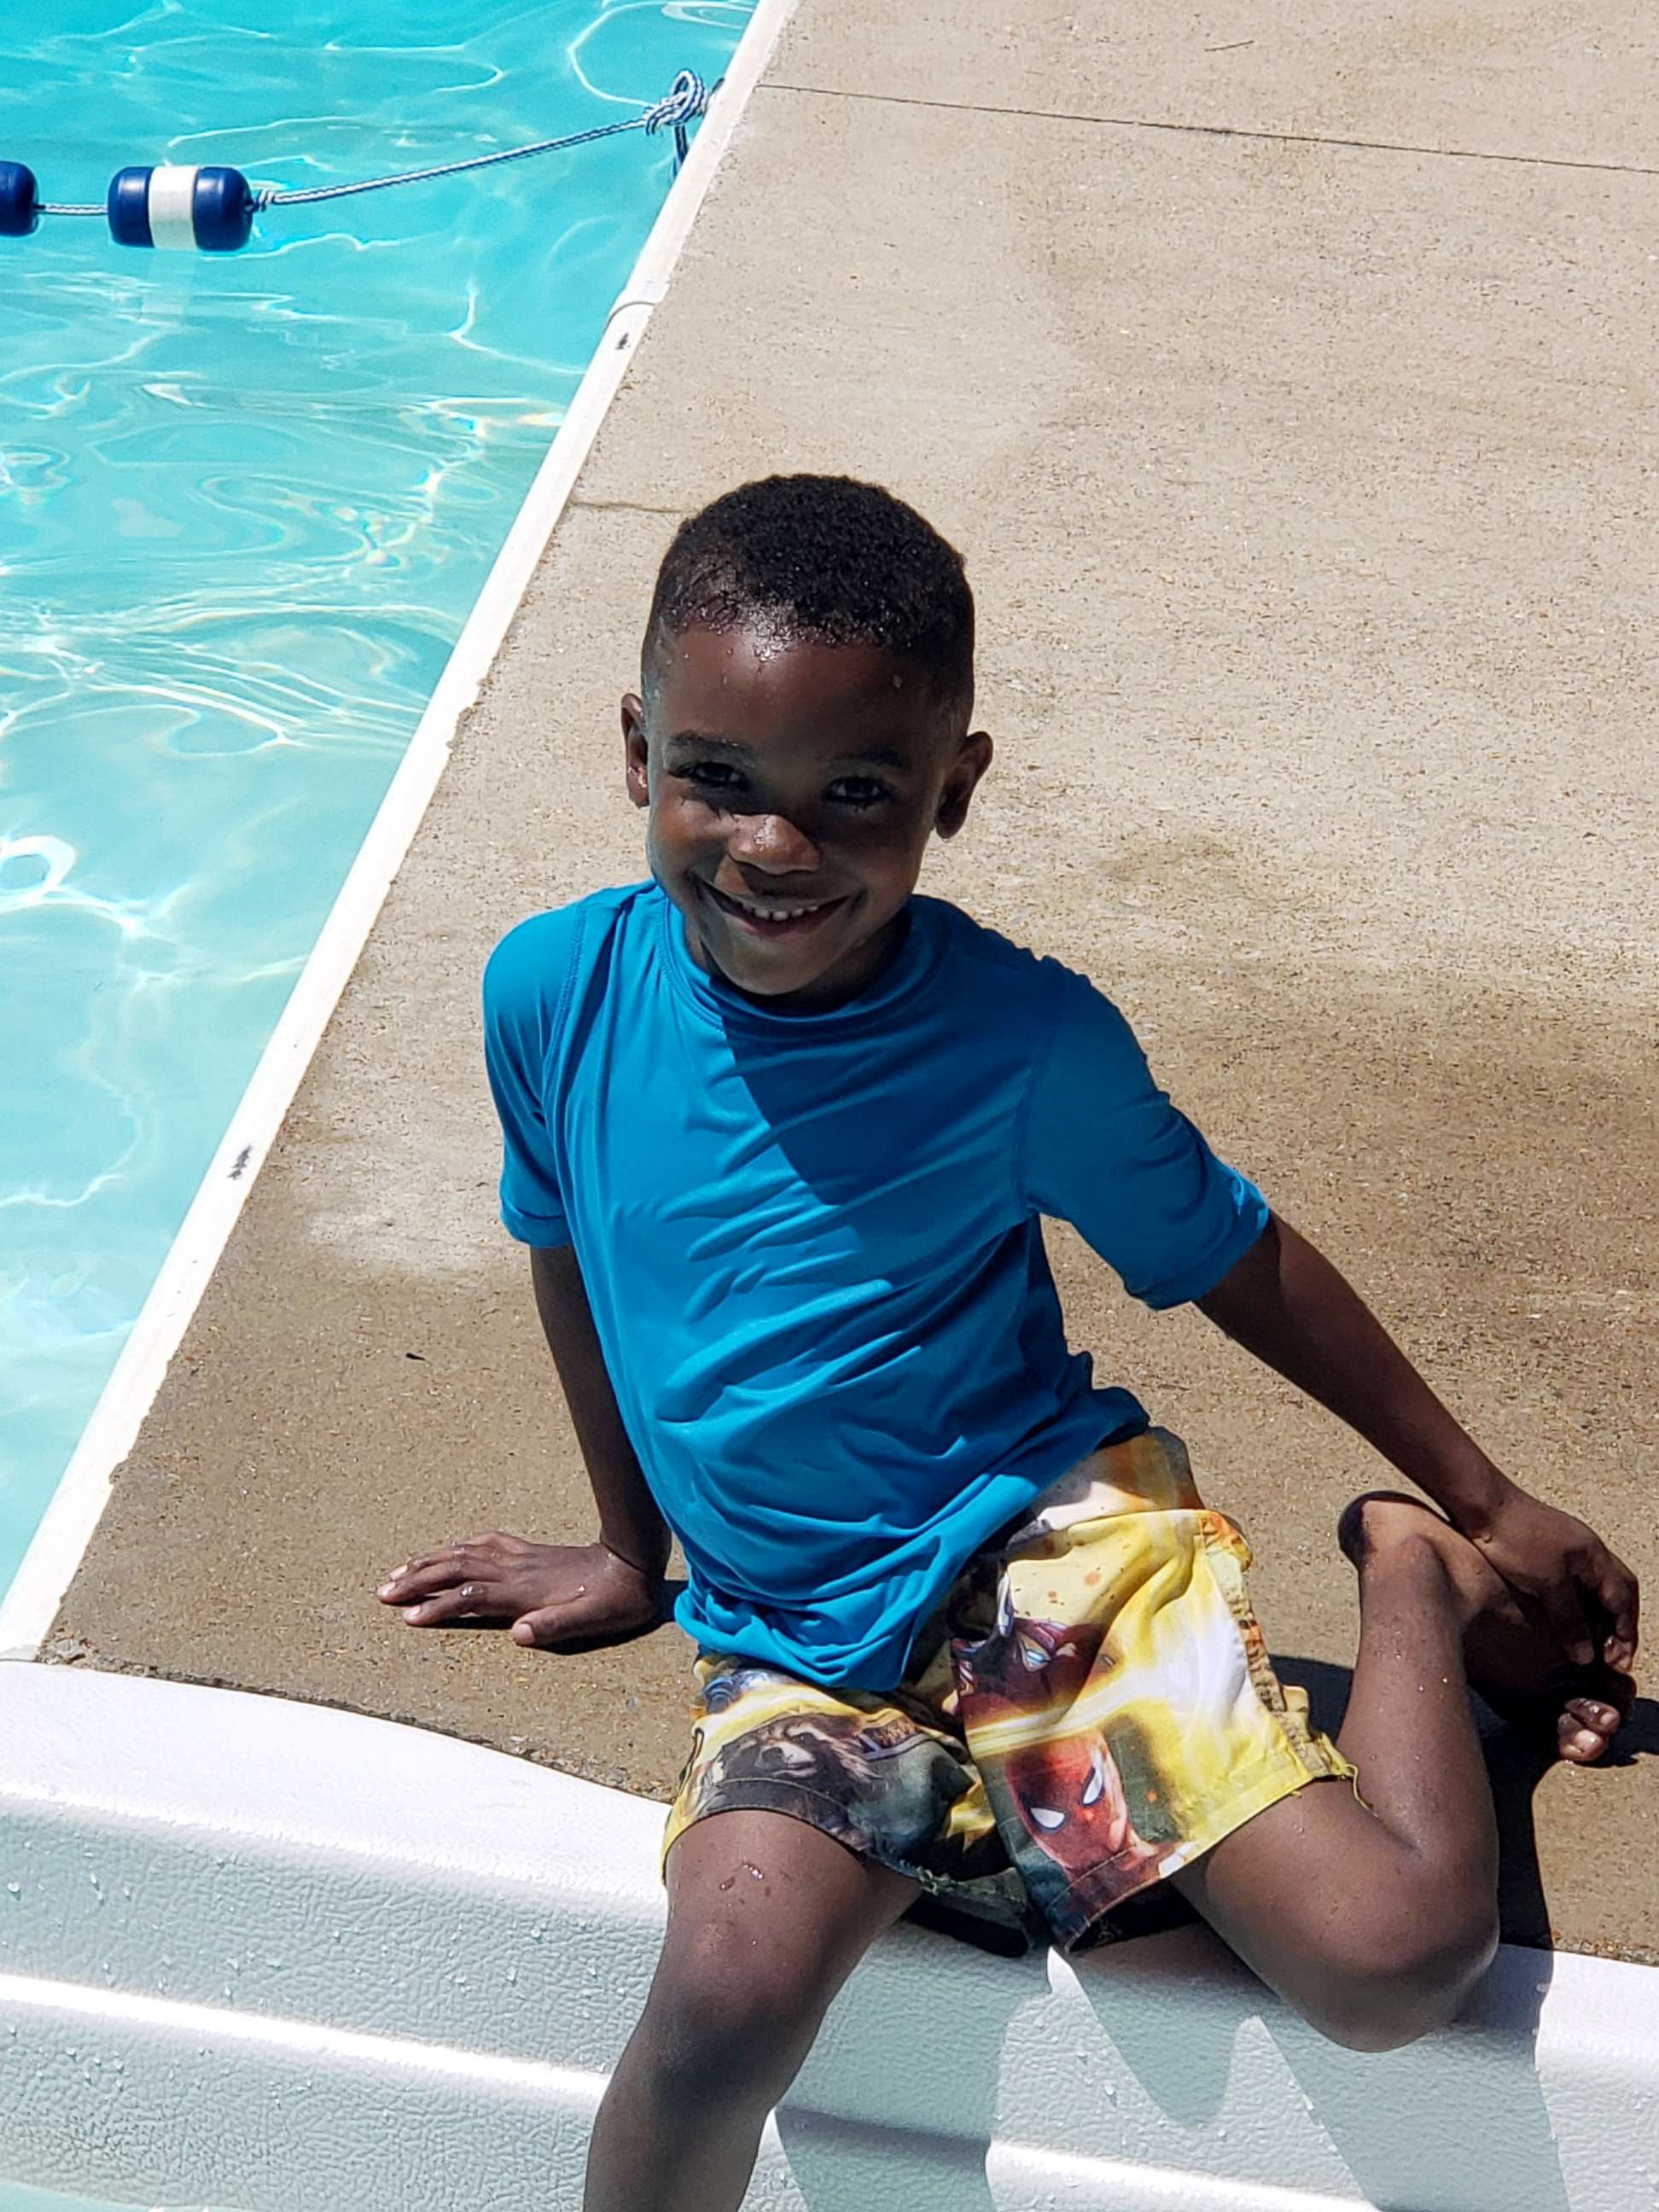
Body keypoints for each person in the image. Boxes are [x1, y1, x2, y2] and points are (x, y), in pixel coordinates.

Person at [377, 474, 1639, 2212]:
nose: (772, 846)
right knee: (717, 2018)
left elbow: (1237, 1257)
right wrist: (627, 1547)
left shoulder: (1025, 1045)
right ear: (635, 749)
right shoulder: (553, 995)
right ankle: (1038, 1808)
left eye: (857, 795)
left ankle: (1404, 1575)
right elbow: (574, 1261)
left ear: (952, 792)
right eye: (717, 779)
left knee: (1389, 1964)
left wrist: (1476, 1497)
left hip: (1042, 1563)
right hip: (800, 1639)